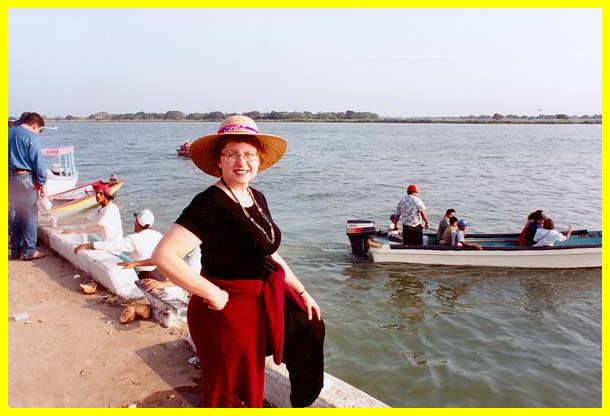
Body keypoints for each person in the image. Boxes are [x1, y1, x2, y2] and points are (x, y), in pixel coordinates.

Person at [151, 115, 324, 408]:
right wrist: (213, 293)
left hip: (259, 300)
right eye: (231, 154)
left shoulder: (255, 196)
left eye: (248, 155)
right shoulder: (210, 203)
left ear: (259, 161)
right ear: (219, 161)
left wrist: (301, 291)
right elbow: (164, 255)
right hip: (226, 310)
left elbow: (267, 252)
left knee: (308, 325)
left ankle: (301, 399)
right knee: (231, 390)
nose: (241, 162)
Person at [74, 209, 163, 278]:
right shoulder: (159, 235)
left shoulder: (134, 239)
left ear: (137, 222)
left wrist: (88, 245)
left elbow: (113, 245)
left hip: (147, 276)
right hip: (161, 273)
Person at [9, 112, 48, 260]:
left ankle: (15, 251)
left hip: (8, 178)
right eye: (39, 130)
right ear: (34, 125)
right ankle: (29, 251)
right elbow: (38, 163)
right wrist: (42, 183)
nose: (38, 133)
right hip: (24, 178)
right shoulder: (31, 137)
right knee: (30, 215)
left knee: (17, 214)